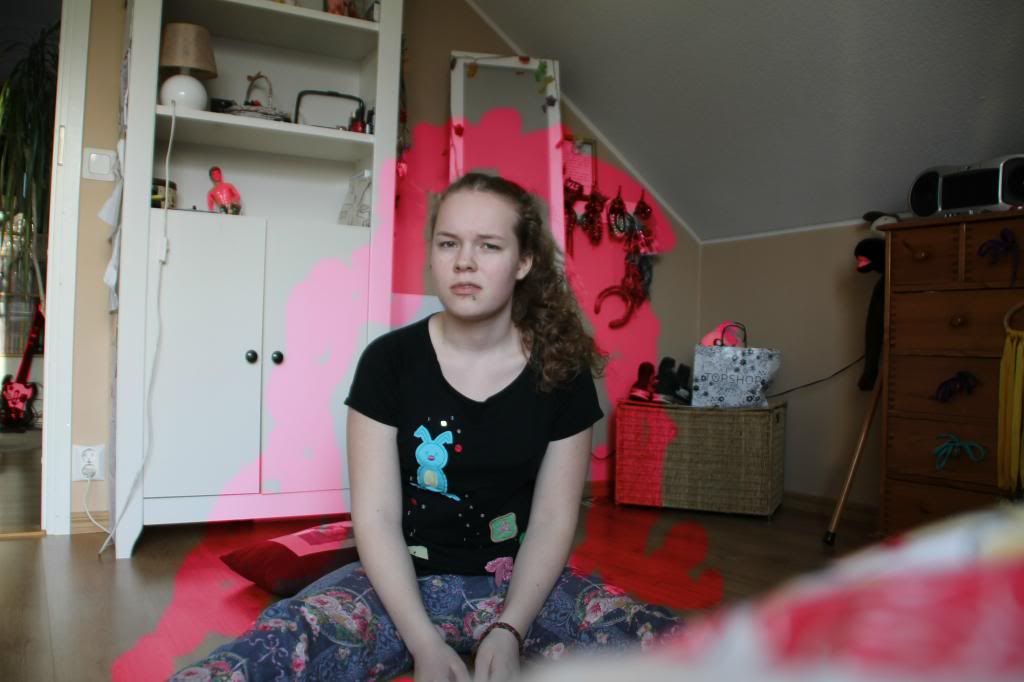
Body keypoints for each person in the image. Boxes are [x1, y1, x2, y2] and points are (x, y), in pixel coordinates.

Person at [172, 173, 680, 682]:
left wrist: (510, 630)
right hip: (396, 589)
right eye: (448, 243)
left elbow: (551, 520)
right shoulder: (387, 362)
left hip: (521, 589)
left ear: (524, 261)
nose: (464, 261)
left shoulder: (562, 371)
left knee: (668, 644)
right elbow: (375, 518)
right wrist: (423, 642)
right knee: (274, 645)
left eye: (489, 245)